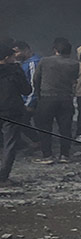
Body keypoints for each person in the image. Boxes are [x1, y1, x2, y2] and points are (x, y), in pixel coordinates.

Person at [32, 38, 79, 164]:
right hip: (66, 98)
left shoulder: (45, 61)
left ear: (55, 50)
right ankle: (65, 155)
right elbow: (74, 81)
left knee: (45, 127)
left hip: (47, 97)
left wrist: (39, 94)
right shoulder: (74, 64)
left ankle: (47, 155)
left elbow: (36, 79)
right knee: (65, 127)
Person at [0, 45, 32, 187]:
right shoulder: (14, 71)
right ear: (7, 58)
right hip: (11, 112)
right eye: (13, 56)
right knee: (9, 145)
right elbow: (26, 90)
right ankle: (3, 177)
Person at [15, 41, 40, 110]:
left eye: (17, 52)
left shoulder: (33, 64)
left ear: (26, 50)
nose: (15, 55)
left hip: (29, 103)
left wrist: (28, 104)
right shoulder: (22, 63)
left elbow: (34, 85)